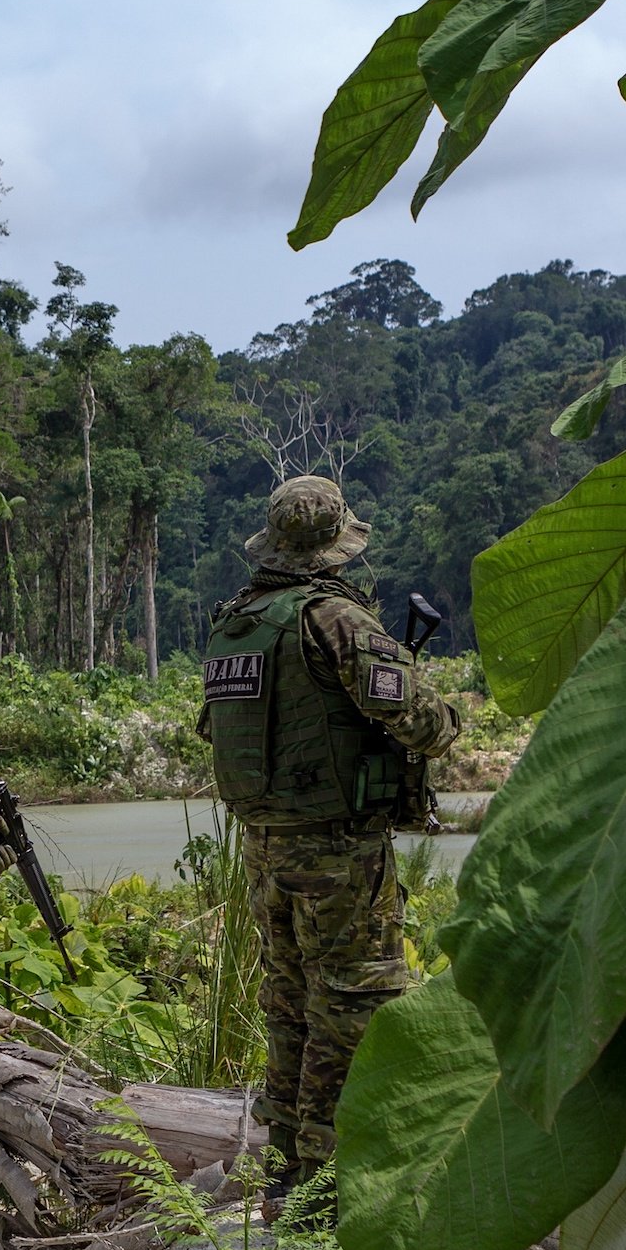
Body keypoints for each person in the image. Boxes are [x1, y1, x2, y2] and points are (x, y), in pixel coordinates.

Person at [197, 475, 463, 1200]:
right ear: (334, 544)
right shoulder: (334, 619)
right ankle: (327, 1179)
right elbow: (424, 723)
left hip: (265, 847)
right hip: (338, 852)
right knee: (351, 1004)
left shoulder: (236, 622)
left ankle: (286, 1161)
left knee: (288, 1001)